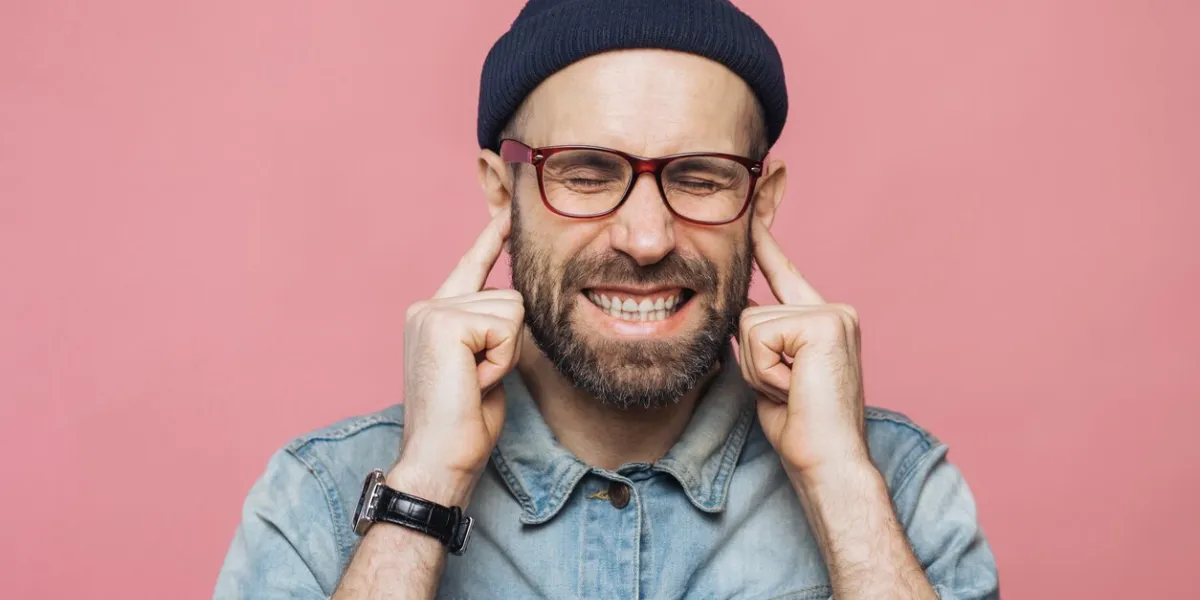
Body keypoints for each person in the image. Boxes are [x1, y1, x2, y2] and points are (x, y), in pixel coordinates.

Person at [215, 1, 1000, 598]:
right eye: (586, 174)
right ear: (502, 193)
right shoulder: (322, 496)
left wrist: (837, 482)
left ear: (760, 204)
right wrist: (425, 485)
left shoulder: (892, 485)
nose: (647, 237)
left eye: (699, 176)